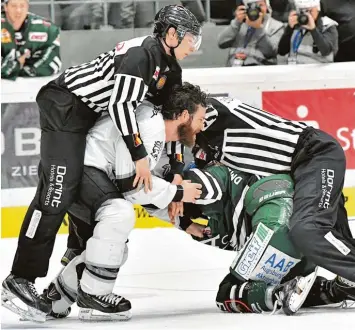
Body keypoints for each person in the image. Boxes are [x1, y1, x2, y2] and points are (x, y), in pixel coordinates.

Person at [1, 4, 202, 321]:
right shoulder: (142, 54)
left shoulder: (171, 69)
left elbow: (173, 121)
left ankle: (64, 283)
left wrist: (176, 173)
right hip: (65, 105)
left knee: (95, 200)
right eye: (193, 39)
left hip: (88, 116)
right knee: (58, 189)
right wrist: (140, 158)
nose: (195, 47)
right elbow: (121, 104)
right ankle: (20, 278)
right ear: (172, 34)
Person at [191, 95, 355, 300]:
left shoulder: (207, 111)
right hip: (298, 176)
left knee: (308, 231)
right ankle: (339, 288)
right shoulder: (202, 148)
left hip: (314, 154)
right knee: (325, 238)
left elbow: (203, 105)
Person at [177, 162, 355, 314]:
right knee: (293, 279)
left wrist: (176, 203)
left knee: (226, 292)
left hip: (277, 223)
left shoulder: (212, 176)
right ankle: (338, 288)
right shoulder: (245, 165)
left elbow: (193, 185)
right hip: (311, 225)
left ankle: (276, 294)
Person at [1, 0, 61, 80]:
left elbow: (53, 64)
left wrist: (13, 69)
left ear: (27, 6)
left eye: (22, 6)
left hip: (34, 85)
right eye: (14, 6)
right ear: (5, 7)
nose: (18, 10)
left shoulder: (46, 29)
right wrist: (19, 65)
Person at [217, 0, 284, 66]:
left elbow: (271, 53)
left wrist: (259, 29)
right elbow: (221, 43)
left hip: (260, 70)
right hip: (234, 67)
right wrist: (236, 23)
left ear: (267, 6)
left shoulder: (276, 26)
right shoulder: (239, 23)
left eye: (260, 5)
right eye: (252, 6)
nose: (256, 9)